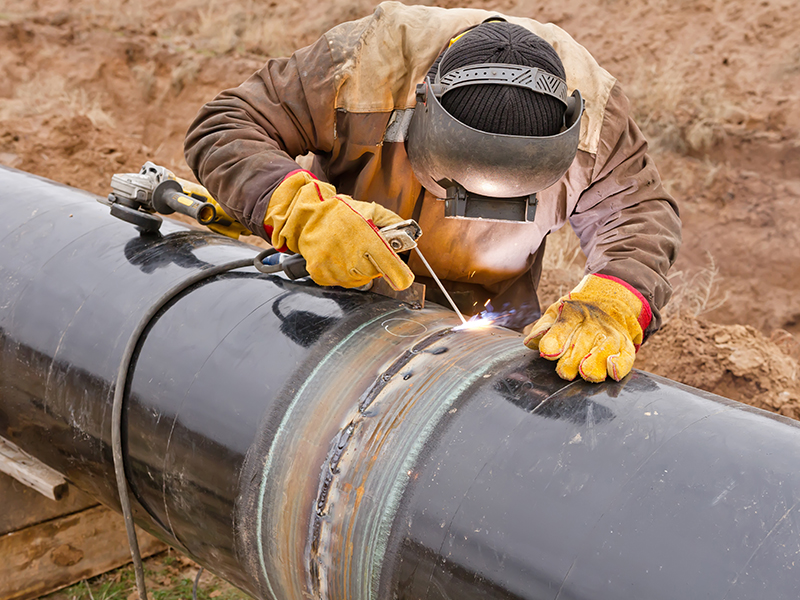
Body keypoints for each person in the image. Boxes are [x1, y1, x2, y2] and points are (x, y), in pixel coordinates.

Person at [184, 2, 681, 383]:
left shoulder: (597, 117)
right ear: (422, 107)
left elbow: (639, 211)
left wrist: (619, 295)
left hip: (490, 324)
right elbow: (228, 124)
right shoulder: (363, 66)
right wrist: (299, 207)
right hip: (340, 300)